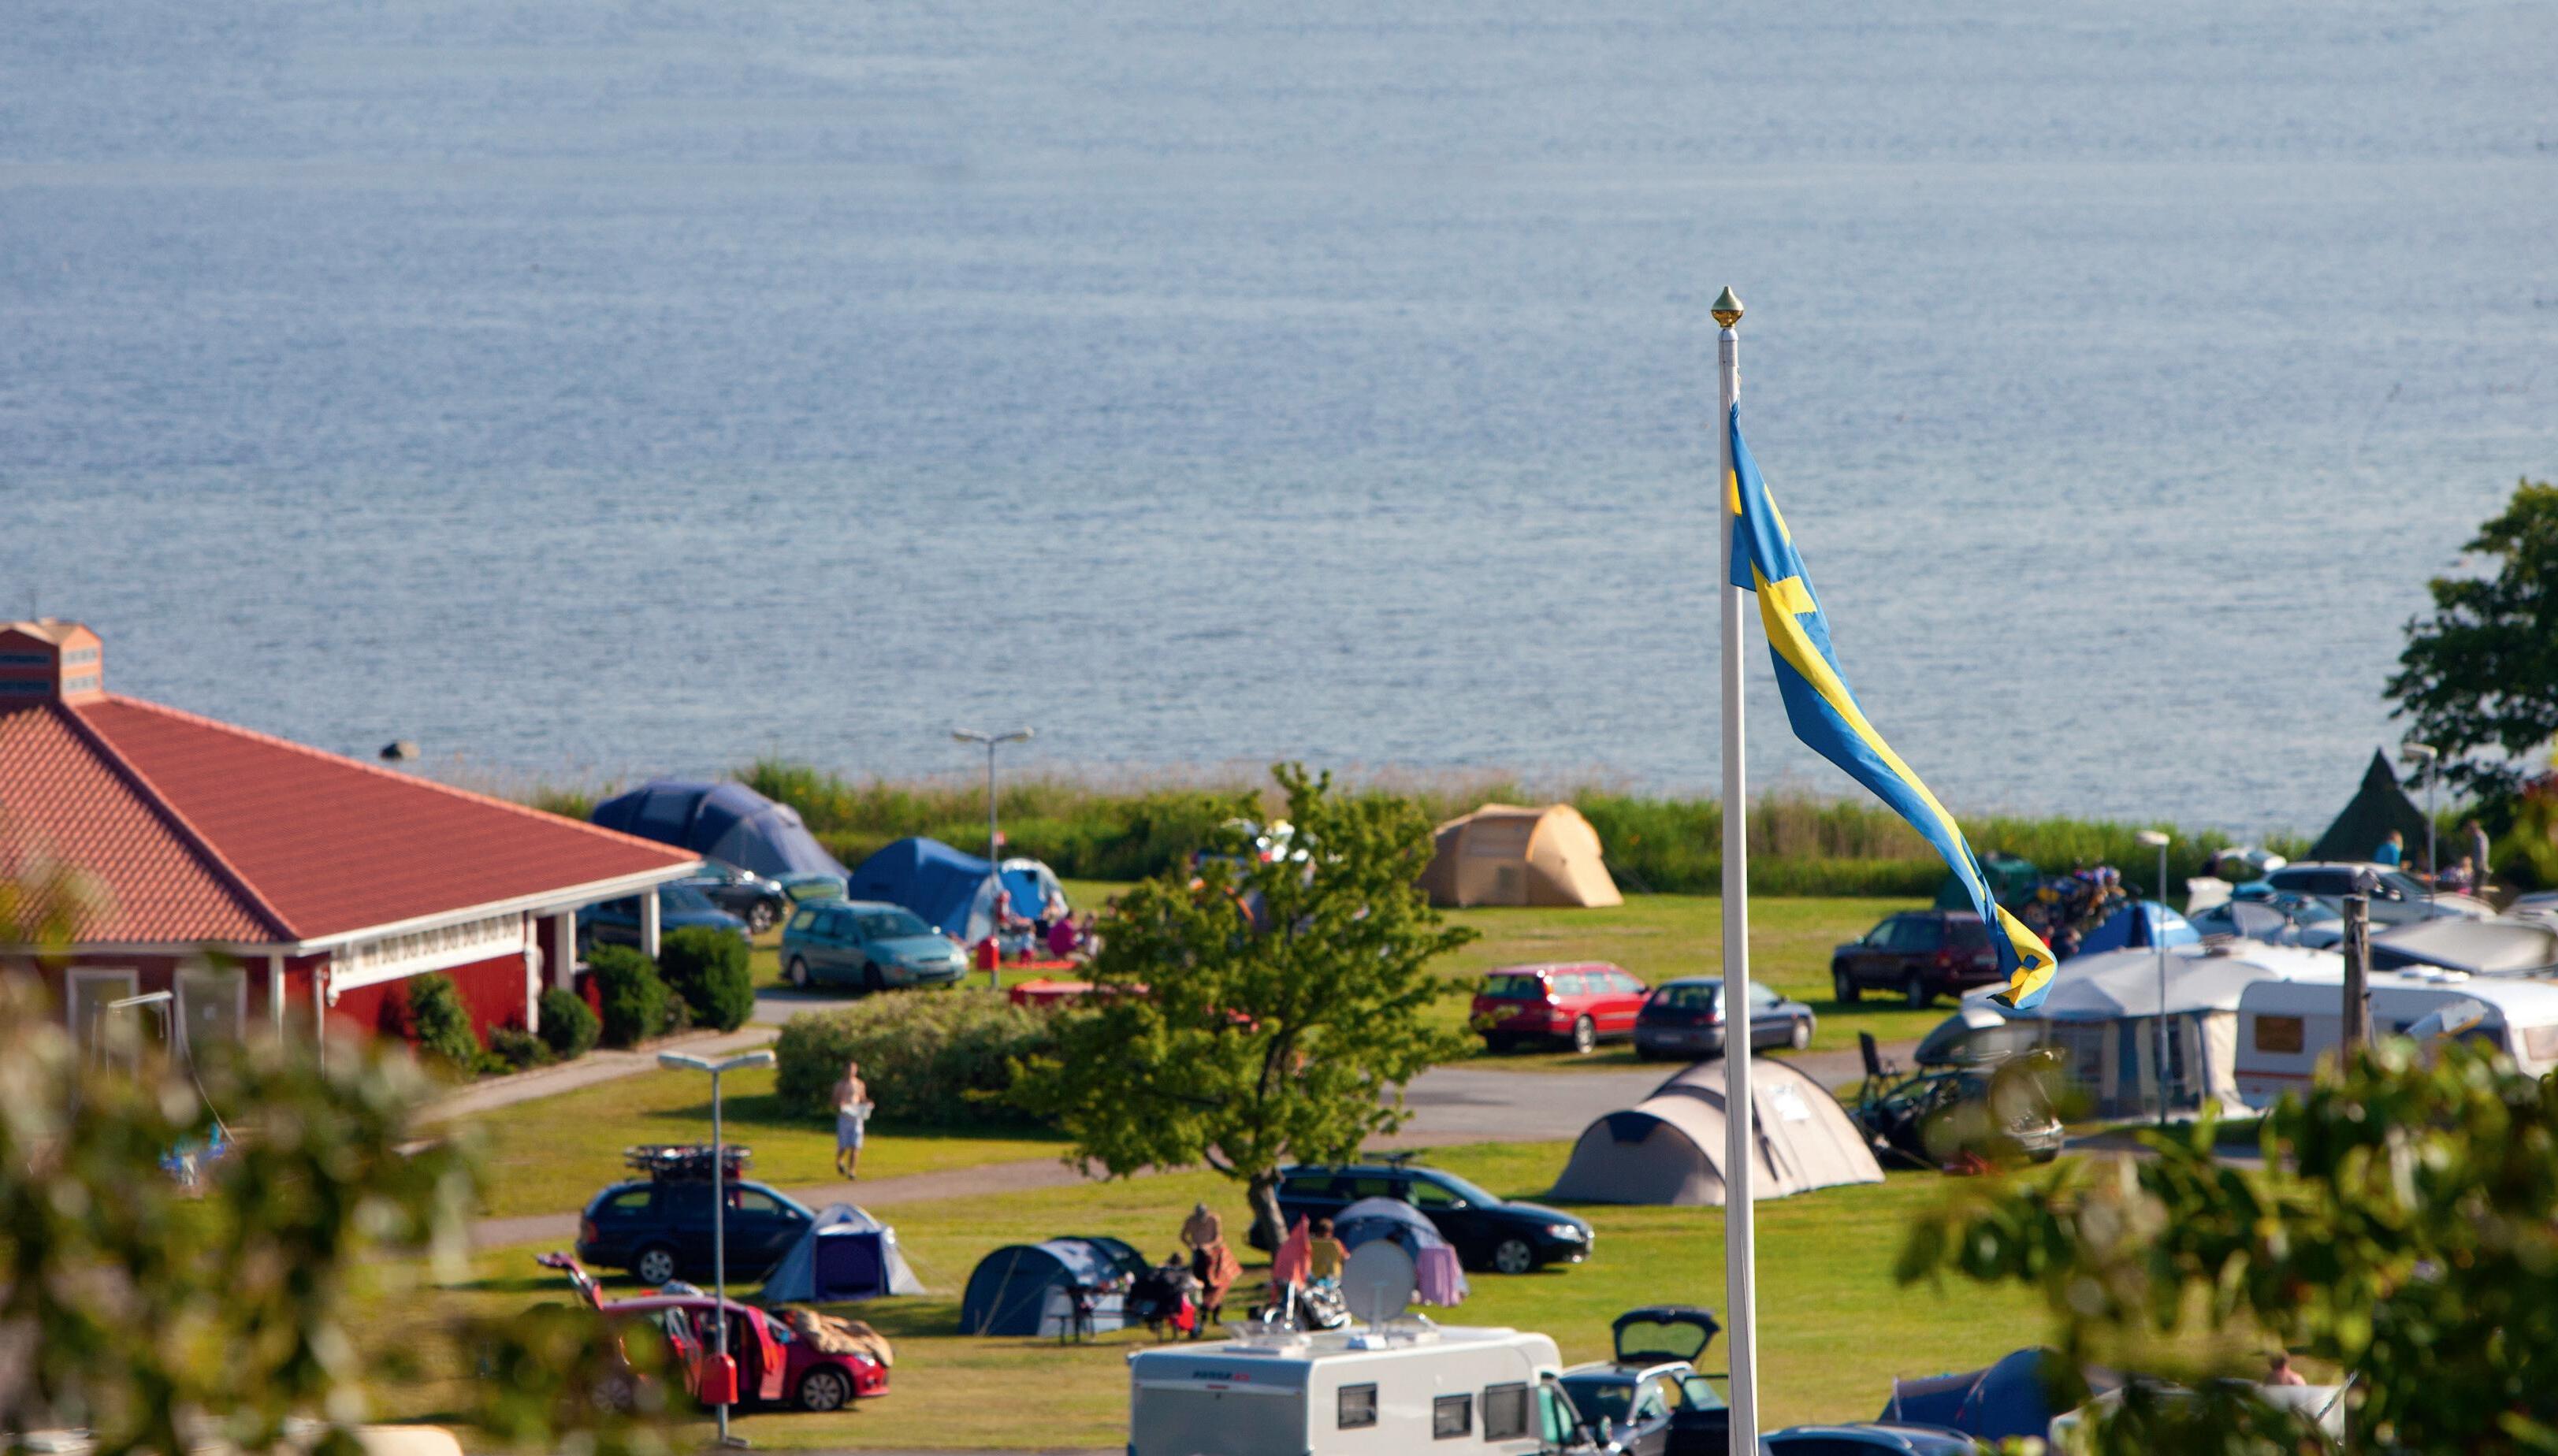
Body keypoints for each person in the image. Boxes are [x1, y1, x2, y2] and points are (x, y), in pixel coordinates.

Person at [831, 1059, 870, 1179]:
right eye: (849, 1069)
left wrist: (868, 1104)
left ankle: (852, 1171)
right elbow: (834, 1101)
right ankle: (839, 1161)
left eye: (854, 1069)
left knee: (855, 1145)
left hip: (856, 1117)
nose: (851, 1071)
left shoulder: (859, 1084)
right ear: (845, 1070)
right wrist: (840, 1104)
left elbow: (862, 1099)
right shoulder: (839, 1085)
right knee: (843, 1145)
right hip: (844, 1117)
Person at [1180, 1202, 1225, 1283]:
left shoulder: (1214, 1219)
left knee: (1212, 1268)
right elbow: (1183, 1236)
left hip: (1211, 1249)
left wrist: (1209, 1246)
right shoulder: (1190, 1221)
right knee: (1197, 1268)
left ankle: (1214, 1281)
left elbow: (1219, 1238)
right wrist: (1191, 1245)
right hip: (1197, 1250)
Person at [1306, 1217, 1347, 1287]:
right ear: (1330, 1231)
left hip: (1315, 1278)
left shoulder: (1310, 1244)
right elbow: (1345, 1257)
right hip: (1334, 1278)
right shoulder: (1335, 1244)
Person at [2465, 818, 2493, 883]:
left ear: (2472, 829)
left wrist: (2479, 865)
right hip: (2480, 866)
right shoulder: (2479, 836)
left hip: (2479, 867)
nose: (2468, 831)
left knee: (2478, 886)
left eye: (2469, 829)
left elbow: (2482, 851)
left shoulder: (2479, 837)